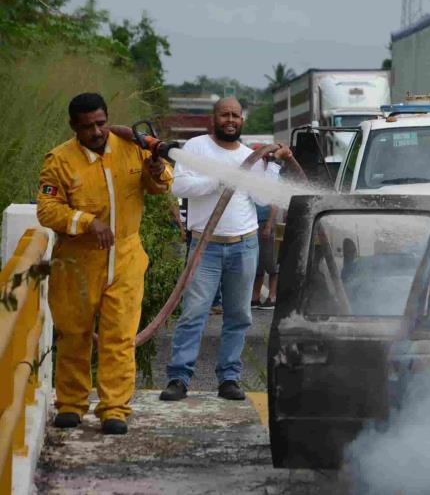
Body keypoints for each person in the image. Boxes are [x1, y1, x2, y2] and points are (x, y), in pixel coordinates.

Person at [37, 92, 172, 435]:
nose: (97, 132)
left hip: (126, 258)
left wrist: (157, 171)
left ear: (107, 117)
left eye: (101, 123)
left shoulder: (130, 146)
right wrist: (86, 222)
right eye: (88, 127)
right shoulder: (60, 160)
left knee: (119, 337)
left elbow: (159, 185)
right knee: (73, 334)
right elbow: (47, 210)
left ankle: (114, 408)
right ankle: (70, 404)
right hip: (77, 263)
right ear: (74, 127)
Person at [160, 97, 292, 402]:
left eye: (235, 115)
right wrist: (220, 179)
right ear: (213, 118)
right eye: (224, 115)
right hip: (204, 246)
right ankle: (179, 378)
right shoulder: (195, 148)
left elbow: (262, 198)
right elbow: (179, 187)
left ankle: (229, 378)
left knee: (239, 314)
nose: (230, 120)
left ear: (242, 120)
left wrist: (272, 165)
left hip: (243, 246)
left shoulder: (251, 156)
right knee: (194, 313)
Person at [251, 202, 279, 310]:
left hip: (266, 223)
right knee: (258, 262)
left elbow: (275, 206)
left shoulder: (273, 185)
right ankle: (255, 297)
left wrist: (269, 225)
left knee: (271, 259)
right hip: (253, 223)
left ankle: (272, 297)